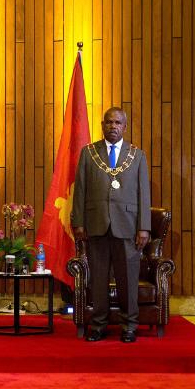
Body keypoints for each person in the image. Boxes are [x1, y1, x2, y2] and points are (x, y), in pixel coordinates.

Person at [71, 107, 151, 343]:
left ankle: (129, 325)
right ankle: (98, 325)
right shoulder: (89, 153)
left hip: (128, 226)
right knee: (98, 279)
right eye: (109, 122)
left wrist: (143, 227)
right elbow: (81, 190)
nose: (113, 126)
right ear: (102, 125)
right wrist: (79, 223)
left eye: (117, 123)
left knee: (128, 278)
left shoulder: (137, 155)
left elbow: (143, 194)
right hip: (96, 225)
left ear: (125, 127)